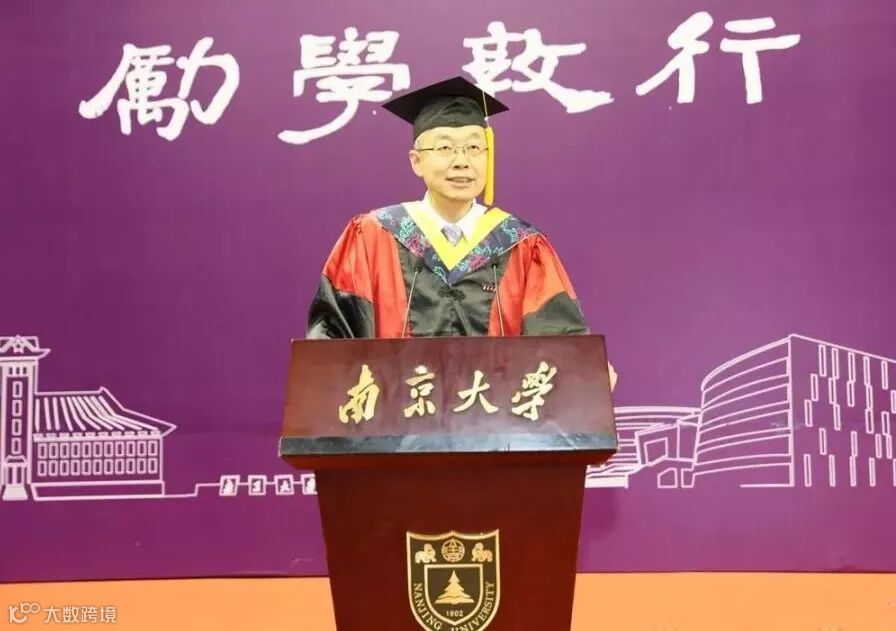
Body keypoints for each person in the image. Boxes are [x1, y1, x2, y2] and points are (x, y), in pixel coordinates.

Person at [306, 75, 610, 383]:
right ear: (416, 161)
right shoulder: (372, 236)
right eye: (445, 148)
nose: (462, 161)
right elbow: (332, 342)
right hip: (395, 410)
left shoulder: (521, 244)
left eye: (474, 147)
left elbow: (559, 340)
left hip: (494, 412)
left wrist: (585, 372)